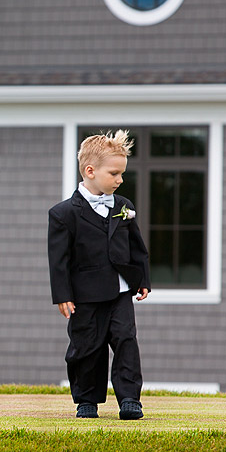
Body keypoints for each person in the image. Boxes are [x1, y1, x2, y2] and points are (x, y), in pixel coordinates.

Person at [47, 130, 151, 420]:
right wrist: (63, 295)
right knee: (86, 347)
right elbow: (58, 260)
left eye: (122, 174)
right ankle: (87, 401)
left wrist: (142, 279)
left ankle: (130, 398)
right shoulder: (63, 214)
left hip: (120, 292)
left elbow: (137, 248)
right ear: (90, 171)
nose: (120, 180)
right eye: (114, 173)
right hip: (85, 296)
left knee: (126, 340)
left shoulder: (124, 207)